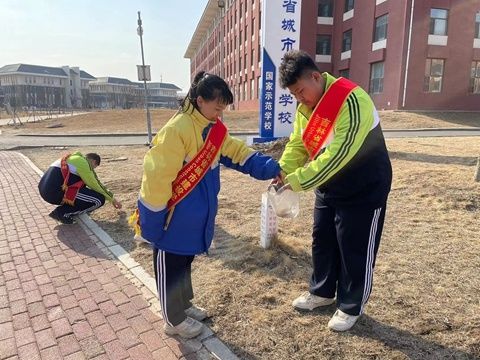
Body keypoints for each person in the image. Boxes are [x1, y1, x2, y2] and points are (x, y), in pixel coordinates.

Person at [131, 71, 282, 339]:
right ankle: (172, 320)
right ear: (200, 100)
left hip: (194, 218)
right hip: (171, 219)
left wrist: (269, 167)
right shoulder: (176, 131)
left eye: (223, 108)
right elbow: (156, 179)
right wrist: (152, 222)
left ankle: (184, 305)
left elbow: (237, 153)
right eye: (216, 107)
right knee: (170, 267)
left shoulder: (214, 130)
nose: (219, 114)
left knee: (184, 264)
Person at [274, 51, 392, 331]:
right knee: (322, 239)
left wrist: (298, 180)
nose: (298, 99)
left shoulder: (352, 99)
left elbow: (338, 156)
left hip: (364, 186)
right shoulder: (306, 107)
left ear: (316, 77)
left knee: (355, 246)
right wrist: (282, 171)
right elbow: (299, 144)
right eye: (294, 94)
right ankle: (322, 292)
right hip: (328, 184)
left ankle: (351, 305)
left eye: (301, 91)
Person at [38, 152, 122, 224]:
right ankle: (61, 213)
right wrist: (112, 200)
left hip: (45, 189)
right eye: (94, 167)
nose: (92, 170)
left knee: (84, 189)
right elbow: (95, 184)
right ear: (93, 161)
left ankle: (67, 209)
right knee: (98, 200)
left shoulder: (73, 158)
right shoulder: (83, 163)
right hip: (54, 192)